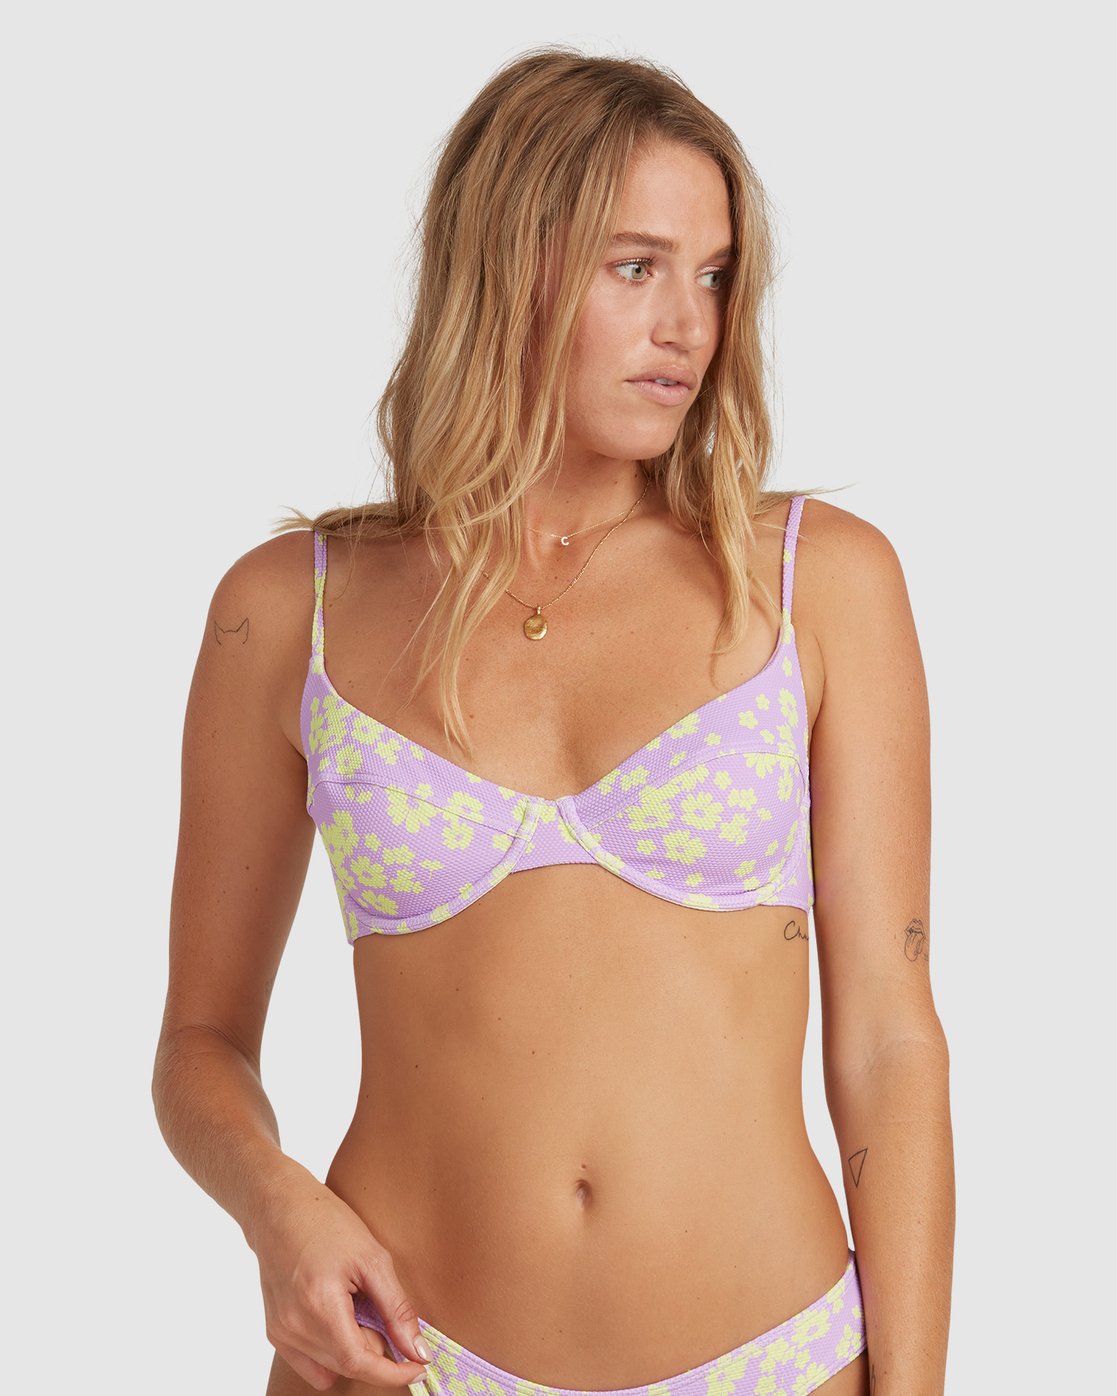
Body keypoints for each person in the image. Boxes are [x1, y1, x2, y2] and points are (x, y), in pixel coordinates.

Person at [152, 45, 954, 1396]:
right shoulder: (287, 610)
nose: (688, 326)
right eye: (635, 267)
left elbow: (888, 1037)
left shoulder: (816, 581)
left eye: (714, 276)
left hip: (771, 1355)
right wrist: (278, 1212)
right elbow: (198, 1047)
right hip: (398, 1359)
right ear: (501, 268)